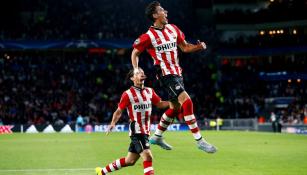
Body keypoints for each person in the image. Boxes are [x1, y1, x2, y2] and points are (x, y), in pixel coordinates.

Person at [131, 1, 217, 153]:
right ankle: (199, 140)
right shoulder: (148, 36)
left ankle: (157, 136)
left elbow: (184, 47)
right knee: (187, 101)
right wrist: (136, 69)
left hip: (177, 72)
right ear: (155, 15)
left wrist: (197, 47)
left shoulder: (173, 28)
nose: (166, 12)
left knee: (175, 108)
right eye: (162, 10)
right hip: (165, 74)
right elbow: (135, 53)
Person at [95, 68, 169, 175]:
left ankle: (102, 172)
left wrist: (174, 102)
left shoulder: (150, 91)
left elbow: (160, 104)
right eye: (138, 73)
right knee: (147, 156)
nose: (141, 74)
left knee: (130, 161)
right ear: (132, 78)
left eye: (142, 72)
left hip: (146, 131)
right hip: (137, 131)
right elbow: (119, 111)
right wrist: (113, 123)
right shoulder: (128, 94)